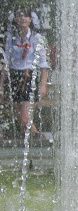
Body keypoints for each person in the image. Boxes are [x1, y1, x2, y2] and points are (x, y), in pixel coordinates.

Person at [4, 7, 49, 136]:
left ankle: (40, 140)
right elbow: (7, 61)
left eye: (26, 16)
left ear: (30, 19)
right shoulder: (11, 38)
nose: (22, 18)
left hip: (29, 77)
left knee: (25, 117)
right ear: (16, 19)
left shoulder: (36, 38)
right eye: (19, 16)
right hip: (14, 77)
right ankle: (29, 146)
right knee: (20, 118)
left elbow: (43, 63)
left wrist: (43, 85)